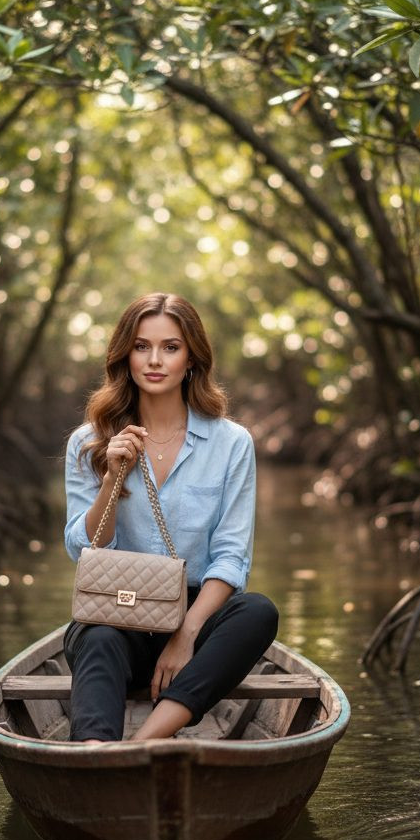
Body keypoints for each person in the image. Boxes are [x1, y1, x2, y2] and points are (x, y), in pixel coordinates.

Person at [63, 292, 279, 743]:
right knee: (98, 637)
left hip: (196, 621)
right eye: (141, 346)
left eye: (170, 347)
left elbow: (231, 556)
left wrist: (185, 634)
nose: (154, 360)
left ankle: (145, 743)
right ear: (125, 356)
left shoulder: (231, 443)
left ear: (192, 359)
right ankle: (93, 753)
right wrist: (111, 477)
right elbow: (83, 550)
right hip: (116, 613)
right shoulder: (89, 441)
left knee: (257, 612)